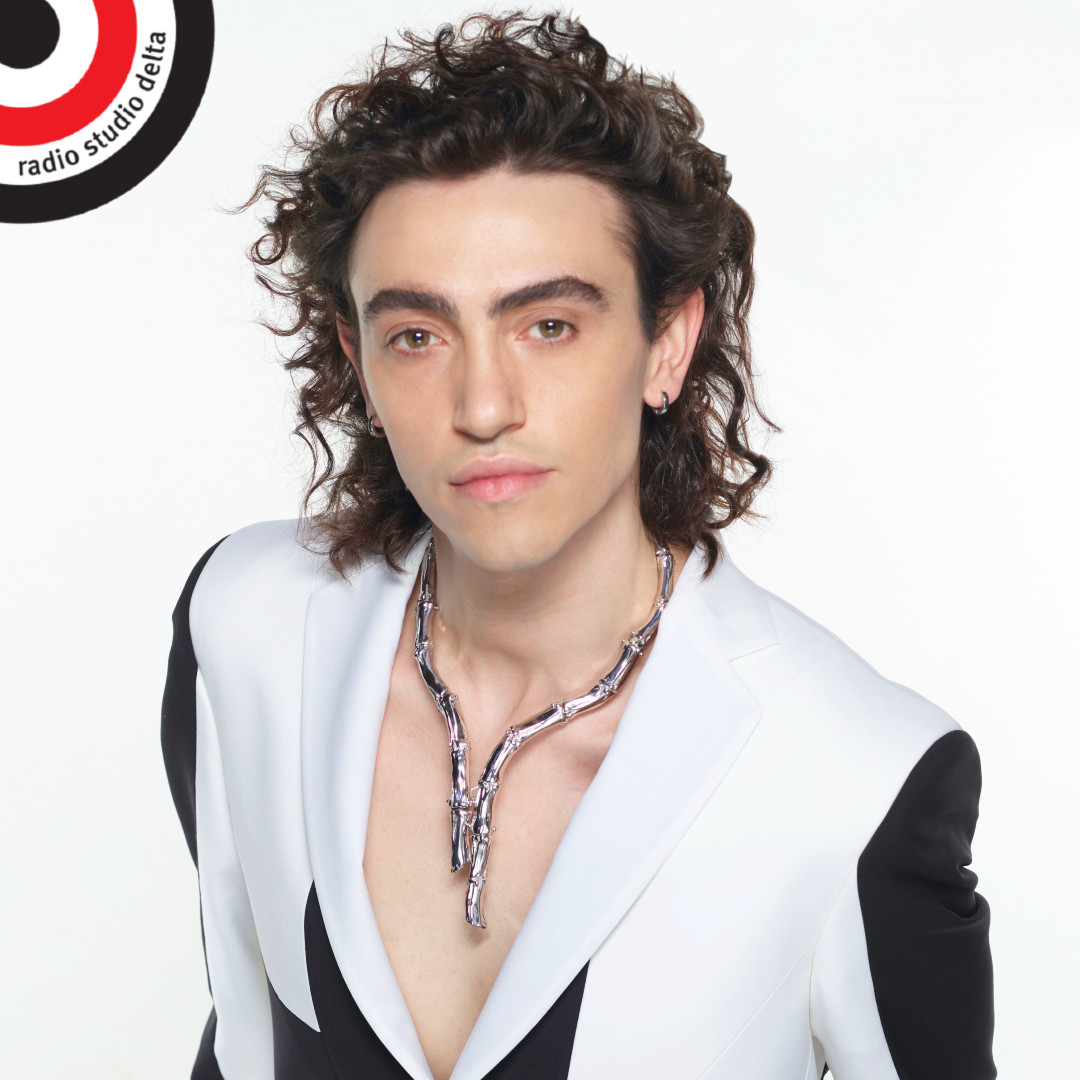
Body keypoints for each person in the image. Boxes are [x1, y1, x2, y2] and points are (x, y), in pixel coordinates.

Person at [161, 11, 995, 1079]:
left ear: (668, 343)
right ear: (357, 360)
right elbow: (243, 1037)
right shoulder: (245, 622)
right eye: (416, 336)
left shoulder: (857, 774)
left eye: (548, 325)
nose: (483, 405)